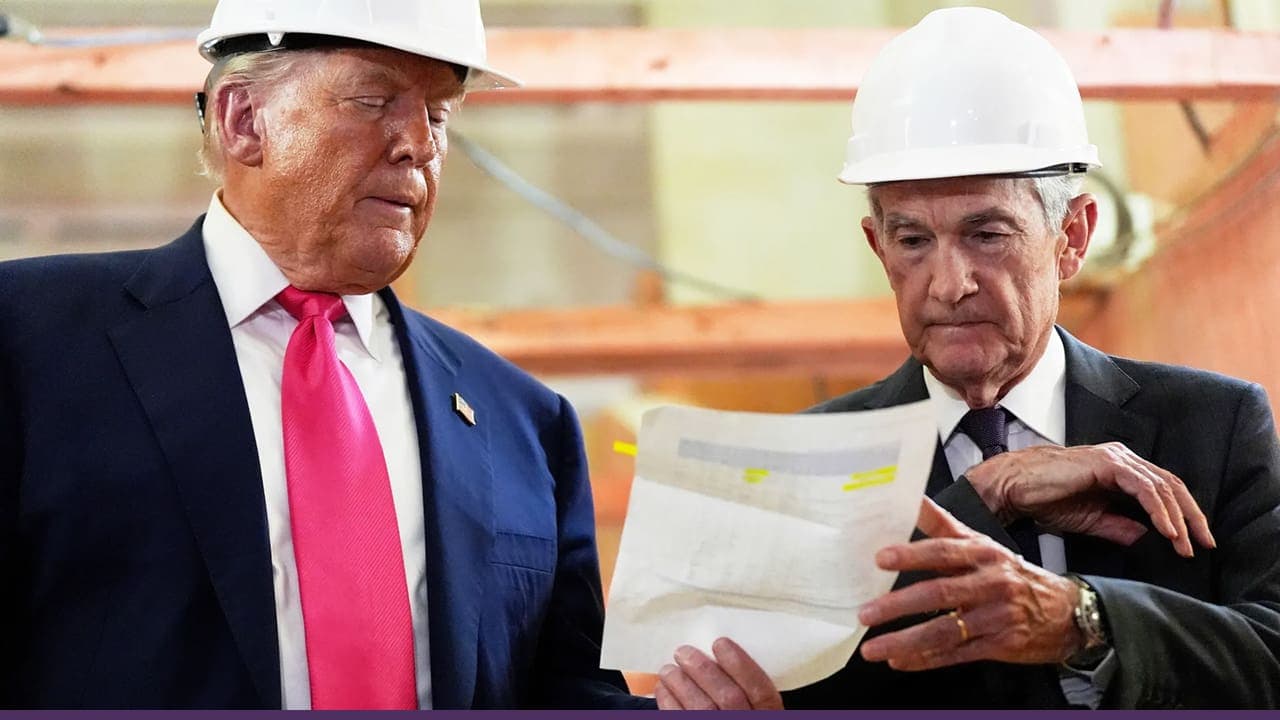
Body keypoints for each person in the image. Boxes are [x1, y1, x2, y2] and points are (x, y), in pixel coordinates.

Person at [0, 0, 646, 709]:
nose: (417, 145)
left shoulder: (522, 421)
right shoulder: (31, 344)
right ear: (244, 120)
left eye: (438, 115)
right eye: (374, 101)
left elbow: (568, 694)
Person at [653, 7, 1280, 709]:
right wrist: (989, 493)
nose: (950, 285)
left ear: (1071, 235)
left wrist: (1085, 619)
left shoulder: (1214, 426)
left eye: (987, 233)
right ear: (878, 249)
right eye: (914, 241)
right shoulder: (808, 461)